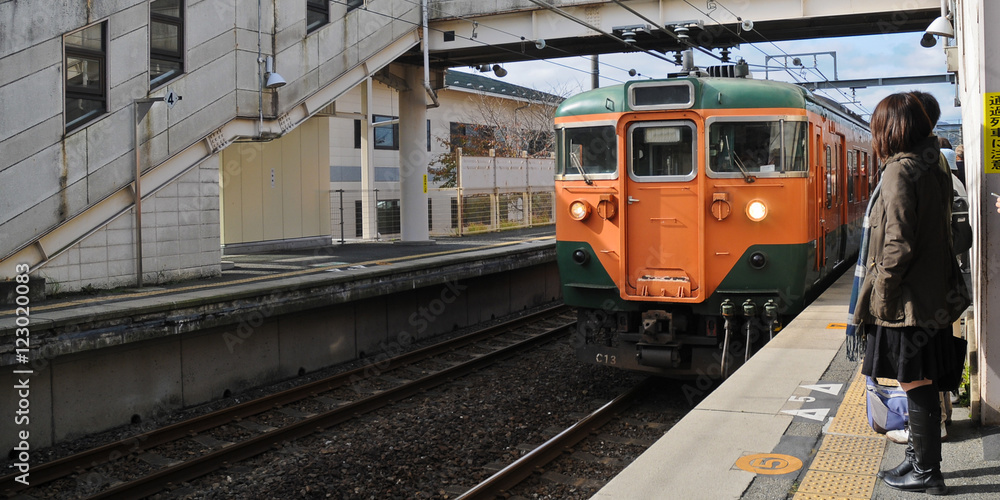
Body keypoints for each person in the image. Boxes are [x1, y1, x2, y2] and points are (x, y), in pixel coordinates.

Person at [853, 92, 970, 495]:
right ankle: (919, 460)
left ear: (892, 128)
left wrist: (882, 293)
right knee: (920, 379)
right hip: (932, 294)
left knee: (914, 382)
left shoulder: (898, 171)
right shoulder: (933, 164)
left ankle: (927, 473)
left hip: (908, 300)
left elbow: (897, 243)